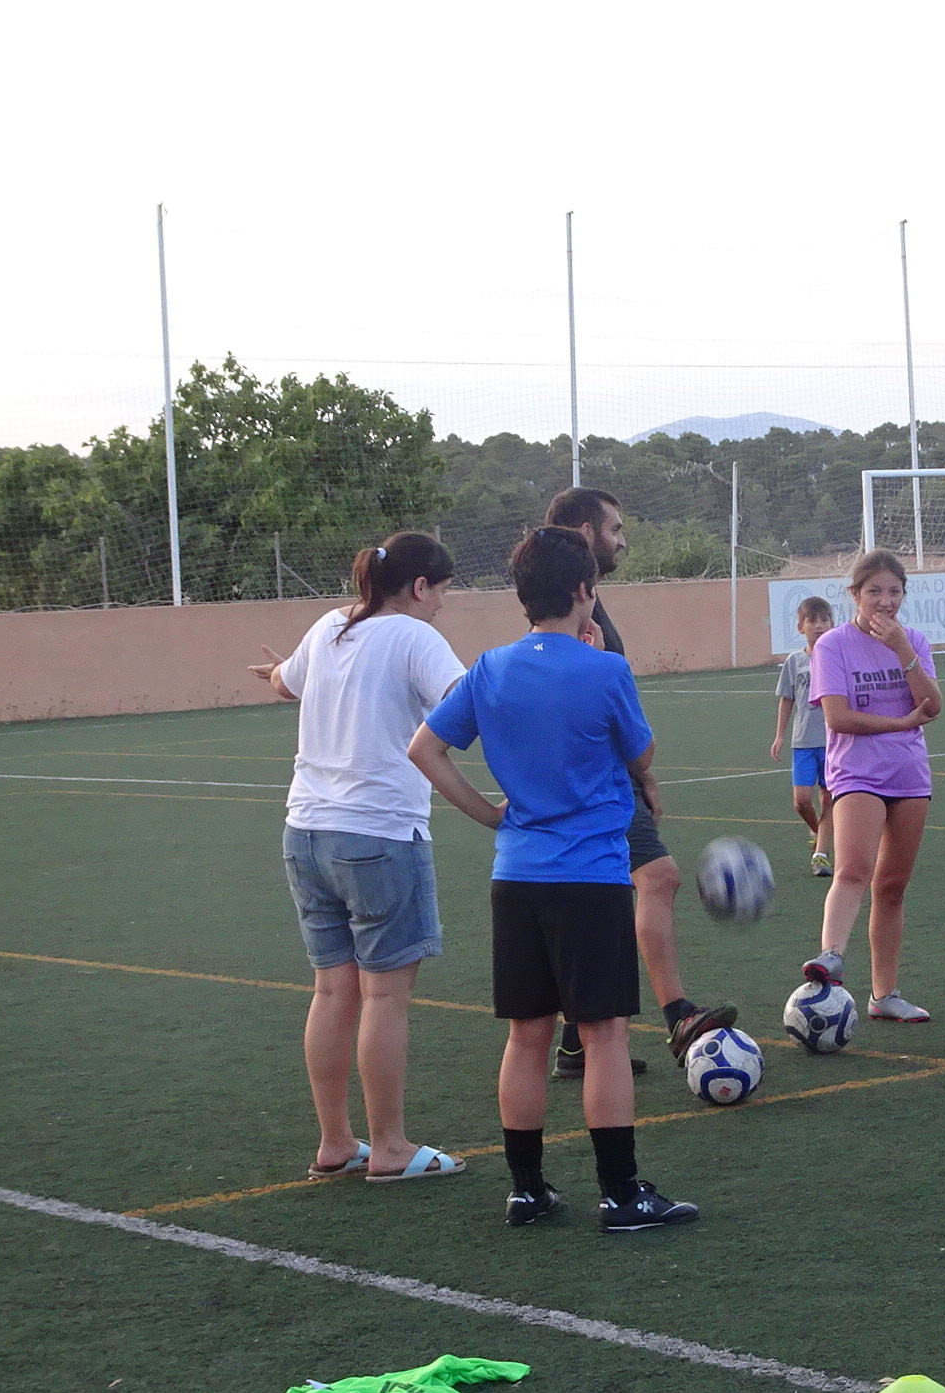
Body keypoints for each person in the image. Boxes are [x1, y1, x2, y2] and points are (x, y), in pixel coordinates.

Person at [409, 526, 698, 1232]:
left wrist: (491, 815)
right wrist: (598, 659)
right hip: (590, 878)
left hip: (517, 876)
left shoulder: (489, 669)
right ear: (583, 590)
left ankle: (528, 1191)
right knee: (603, 1036)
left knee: (526, 1037)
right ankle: (620, 1194)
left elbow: (426, 749)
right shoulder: (605, 670)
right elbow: (642, 752)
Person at [250, 531, 470, 1186]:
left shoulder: (329, 626)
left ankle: (335, 1143)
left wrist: (276, 673)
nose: (443, 605)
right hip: (378, 837)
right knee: (386, 996)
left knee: (331, 990)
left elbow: (284, 683)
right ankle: (391, 1146)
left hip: (305, 833)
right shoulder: (413, 636)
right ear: (420, 586)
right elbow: (470, 703)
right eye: (443, 591)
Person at [539, 486, 736, 1079]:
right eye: (616, 529)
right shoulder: (577, 612)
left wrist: (638, 776)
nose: (623, 541)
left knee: (605, 897)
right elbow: (589, 700)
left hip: (603, 778)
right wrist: (638, 767)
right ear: (585, 532)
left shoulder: (582, 602)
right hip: (597, 782)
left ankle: (575, 1043)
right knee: (658, 876)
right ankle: (678, 1015)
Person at [802, 550, 943, 1020]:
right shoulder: (833, 645)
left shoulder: (913, 640)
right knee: (853, 869)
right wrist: (898, 722)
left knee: (893, 886)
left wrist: (903, 650)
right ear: (855, 595)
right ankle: (831, 957)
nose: (885, 601)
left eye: (894, 592)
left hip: (909, 774)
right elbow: (838, 717)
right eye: (874, 591)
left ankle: (884, 996)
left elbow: (933, 706)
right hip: (857, 773)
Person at [770, 596, 838, 876]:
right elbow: (787, 699)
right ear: (800, 627)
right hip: (803, 742)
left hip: (834, 742)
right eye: (812, 621)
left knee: (829, 797)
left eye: (824, 620)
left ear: (832, 624)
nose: (819, 626)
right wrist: (779, 736)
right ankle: (818, 831)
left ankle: (820, 855)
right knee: (801, 800)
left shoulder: (838, 658)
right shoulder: (795, 661)